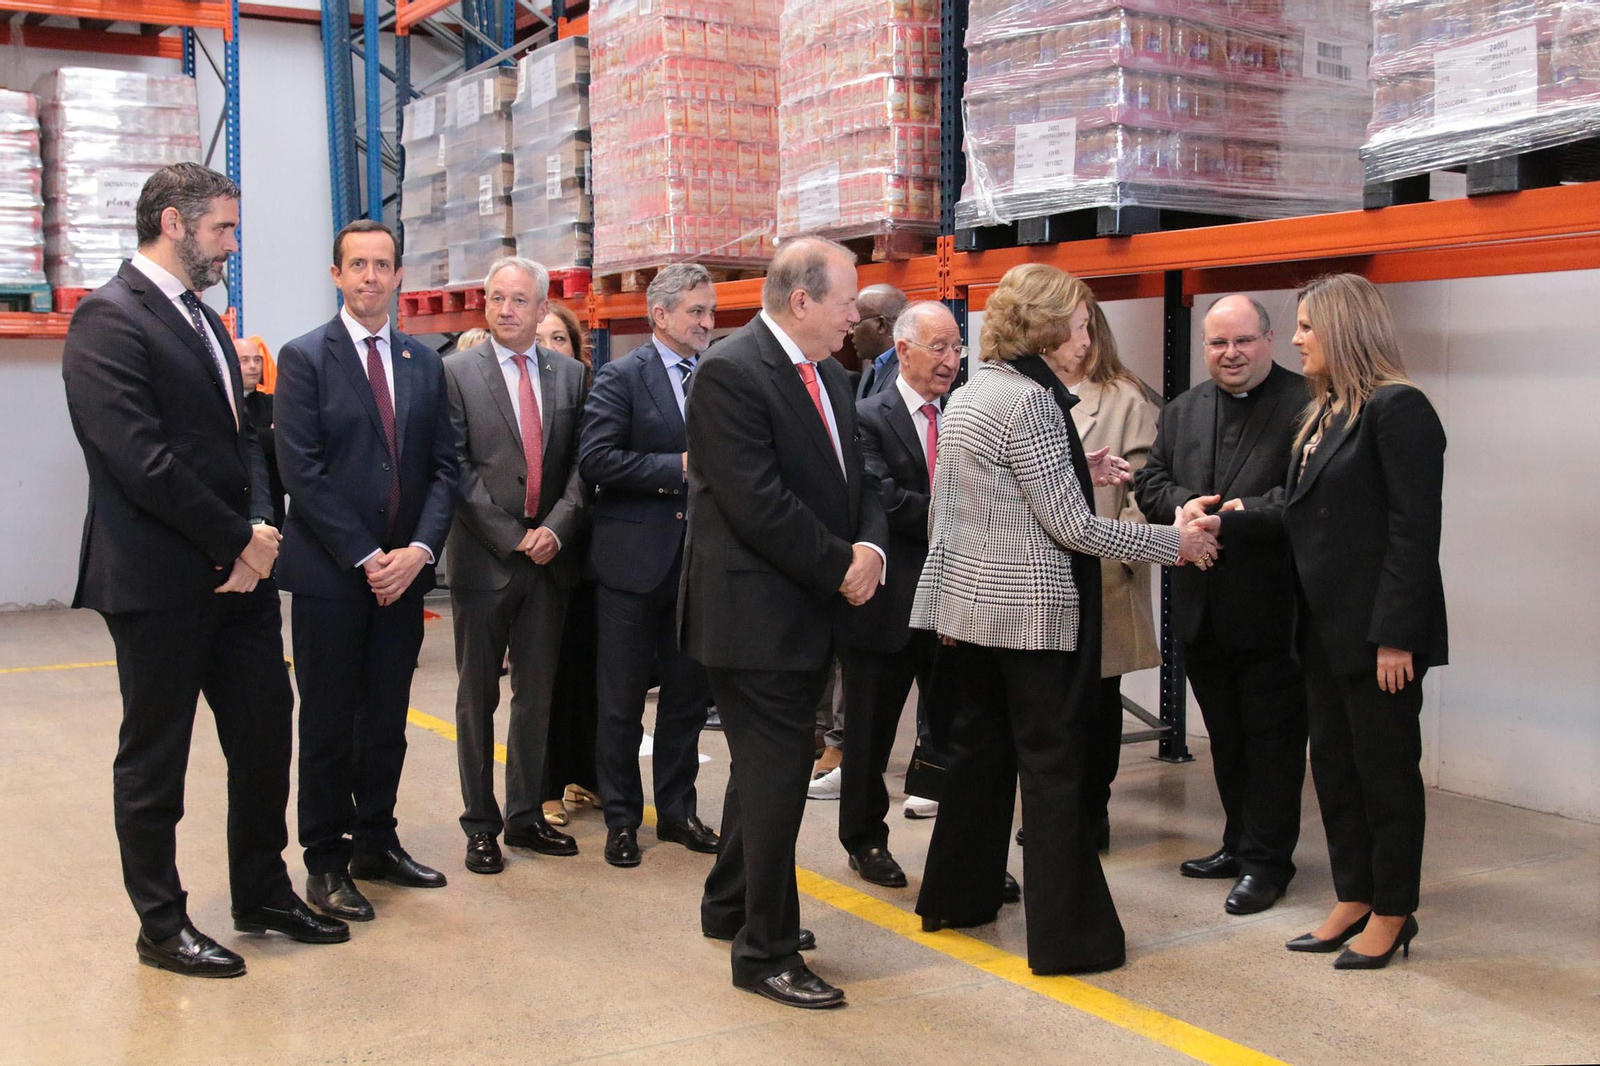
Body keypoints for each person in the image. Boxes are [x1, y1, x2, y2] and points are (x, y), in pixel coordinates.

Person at [62, 162, 348, 978]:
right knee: (157, 758)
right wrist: (234, 541)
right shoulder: (108, 322)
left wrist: (262, 529)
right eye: (222, 226)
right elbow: (141, 462)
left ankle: (262, 892)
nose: (232, 240)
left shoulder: (205, 321)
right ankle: (161, 924)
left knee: (263, 735)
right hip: (160, 581)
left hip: (240, 574)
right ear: (174, 224)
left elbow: (243, 433)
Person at [910, 263, 1216, 976]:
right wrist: (1176, 542)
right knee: (1054, 773)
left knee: (981, 761)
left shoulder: (978, 389)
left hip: (973, 611)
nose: (1088, 337)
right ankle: (1069, 940)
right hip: (1030, 620)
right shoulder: (1034, 404)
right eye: (1081, 323)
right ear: (1050, 328)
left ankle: (958, 897)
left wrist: (1082, 462)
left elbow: (995, 485)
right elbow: (1076, 528)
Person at [683, 235, 888, 1009]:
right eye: (846, 300)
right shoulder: (732, 373)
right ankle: (763, 953)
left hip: (804, 608)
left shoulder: (827, 374)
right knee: (777, 786)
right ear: (801, 301)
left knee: (764, 774)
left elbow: (858, 475)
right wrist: (843, 564)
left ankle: (731, 903)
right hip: (753, 618)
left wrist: (868, 546)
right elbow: (756, 503)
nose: (854, 315)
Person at [1221, 274, 1447, 969]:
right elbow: (1300, 506)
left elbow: (1413, 533)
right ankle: (1354, 895)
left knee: (1385, 774)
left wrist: (1396, 635)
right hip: (1320, 629)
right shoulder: (1324, 415)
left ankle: (1394, 911)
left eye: (1307, 327)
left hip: (1378, 636)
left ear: (1345, 329)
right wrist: (1239, 511)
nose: (1295, 340)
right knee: (1337, 770)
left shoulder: (1398, 409)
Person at [275, 219, 459, 919]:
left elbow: (445, 468)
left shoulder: (423, 362)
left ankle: (375, 842)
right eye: (358, 264)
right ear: (336, 275)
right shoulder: (305, 359)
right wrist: (366, 555)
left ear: (398, 275)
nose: (371, 277)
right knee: (327, 724)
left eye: (383, 265)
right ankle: (324, 861)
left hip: (403, 578)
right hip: (332, 577)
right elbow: (303, 472)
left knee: (386, 721)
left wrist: (418, 552)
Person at [1133, 294, 1308, 916]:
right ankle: (1238, 843)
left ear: (1269, 338)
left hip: (1272, 611)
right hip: (1200, 608)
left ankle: (1268, 863)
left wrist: (1239, 517)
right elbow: (1150, 482)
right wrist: (1185, 506)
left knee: (1273, 742)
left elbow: (1305, 498)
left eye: (1242, 341)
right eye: (1216, 343)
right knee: (1228, 740)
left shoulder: (1306, 405)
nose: (1229, 354)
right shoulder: (1182, 410)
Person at [441, 257, 589, 875]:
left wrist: (556, 528)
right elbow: (454, 467)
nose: (506, 309)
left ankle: (524, 816)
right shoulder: (454, 372)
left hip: (550, 563)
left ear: (542, 306)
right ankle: (480, 826)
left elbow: (586, 463)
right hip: (485, 562)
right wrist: (511, 536)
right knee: (477, 698)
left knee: (537, 695)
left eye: (519, 300)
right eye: (496, 298)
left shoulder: (572, 375)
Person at [581, 263, 720, 867]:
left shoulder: (717, 377)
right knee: (619, 701)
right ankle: (620, 818)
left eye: (710, 312)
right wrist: (676, 468)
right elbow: (597, 460)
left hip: (699, 567)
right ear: (660, 315)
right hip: (632, 567)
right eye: (696, 311)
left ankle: (677, 811)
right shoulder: (621, 378)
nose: (707, 322)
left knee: (688, 698)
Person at [835, 301, 961, 887]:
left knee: (956, 733)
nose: (951, 360)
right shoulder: (866, 416)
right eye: (939, 347)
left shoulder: (964, 413)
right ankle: (865, 841)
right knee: (868, 733)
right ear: (904, 349)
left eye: (958, 348)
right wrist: (960, 514)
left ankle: (960, 854)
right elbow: (879, 498)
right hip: (885, 606)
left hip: (953, 607)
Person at [1058, 300, 1162, 856]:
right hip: (1041, 580)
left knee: (1098, 708)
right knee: (1053, 708)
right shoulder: (1028, 394)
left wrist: (1121, 554)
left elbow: (1145, 489)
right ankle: (1056, 806)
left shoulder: (1123, 397)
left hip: (1102, 576)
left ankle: (1089, 812)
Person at [534, 301, 601, 829]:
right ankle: (544, 784)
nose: (549, 348)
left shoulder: (591, 395)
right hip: (537, 547)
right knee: (546, 676)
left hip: (585, 548)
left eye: (559, 339)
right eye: (541, 338)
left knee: (585, 671)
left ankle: (584, 774)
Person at [237, 335, 287, 530]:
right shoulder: (224, 403)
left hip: (273, 498)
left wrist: (250, 435)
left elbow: (283, 441)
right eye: (245, 360)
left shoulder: (273, 402)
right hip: (236, 503)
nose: (253, 366)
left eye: (257, 360)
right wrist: (267, 435)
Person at [852, 283, 908, 398]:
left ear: (881, 325)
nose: (850, 332)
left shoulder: (906, 373)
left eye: (855, 324)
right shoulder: (870, 372)